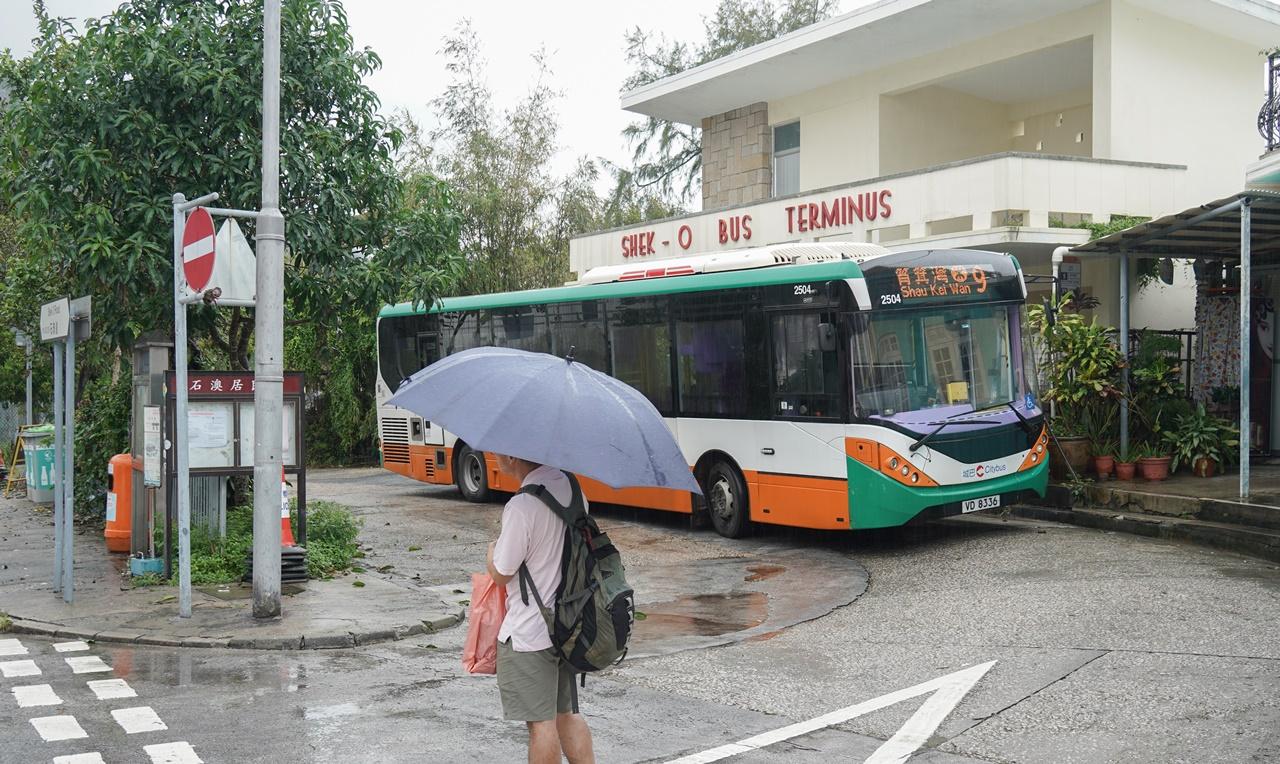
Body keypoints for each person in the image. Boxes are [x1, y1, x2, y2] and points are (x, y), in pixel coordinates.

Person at [487, 453, 596, 764]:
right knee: (567, 715)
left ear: (511, 455)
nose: (495, 458)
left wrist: (490, 552)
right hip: (567, 625)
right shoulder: (573, 490)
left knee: (541, 723)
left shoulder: (522, 505)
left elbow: (502, 571)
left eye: (497, 452)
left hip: (530, 633)